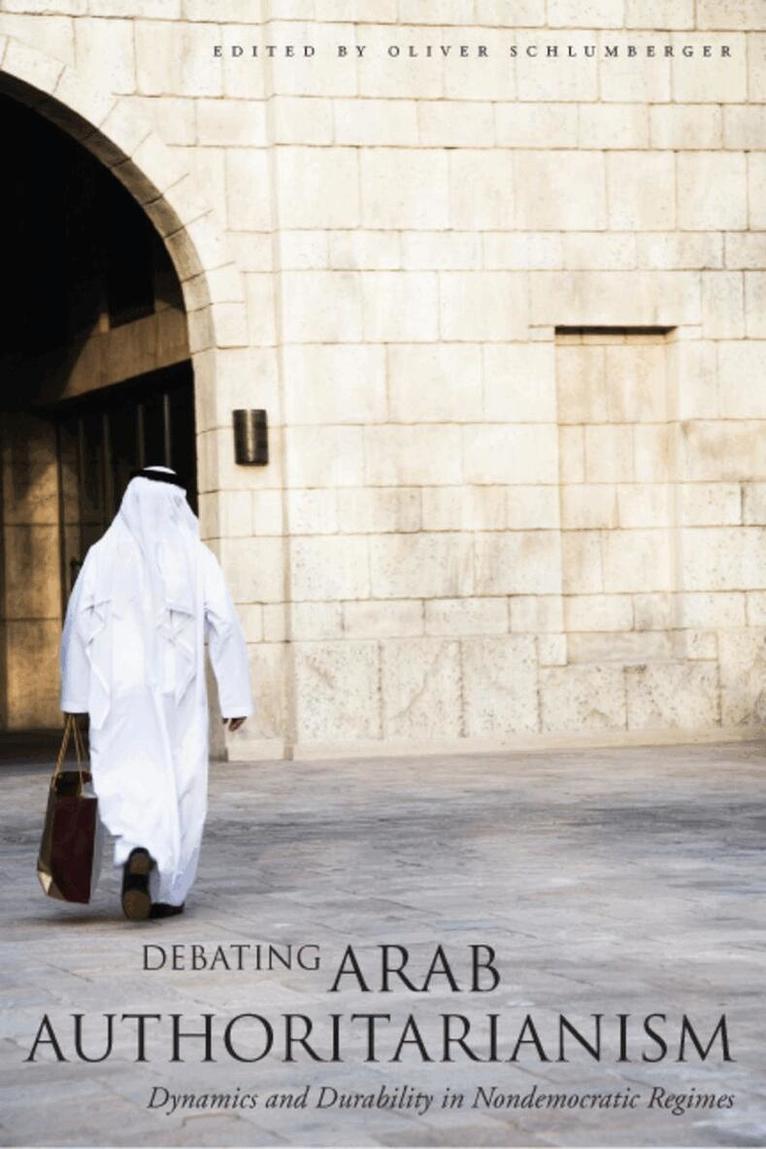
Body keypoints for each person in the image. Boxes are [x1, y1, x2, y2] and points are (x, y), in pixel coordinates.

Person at [59, 465, 253, 921]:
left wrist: (75, 700)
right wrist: (236, 698)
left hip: (117, 696)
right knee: (181, 783)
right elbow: (224, 625)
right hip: (177, 695)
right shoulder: (196, 557)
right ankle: (169, 891)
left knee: (126, 777)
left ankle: (137, 850)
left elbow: (76, 626)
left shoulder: (102, 555)